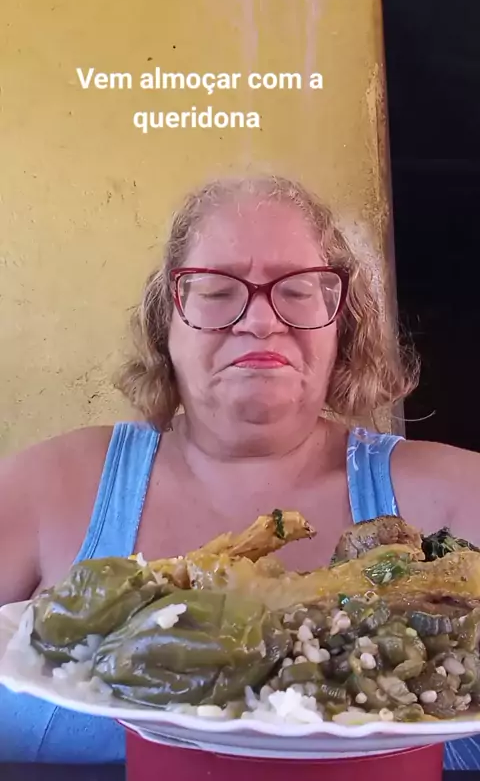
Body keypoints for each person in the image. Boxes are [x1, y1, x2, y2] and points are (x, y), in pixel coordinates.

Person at [0, 174, 479, 769]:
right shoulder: (45, 486)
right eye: (217, 290)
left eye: (297, 289)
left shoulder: (459, 495)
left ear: (343, 324)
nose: (259, 321)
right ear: (165, 322)